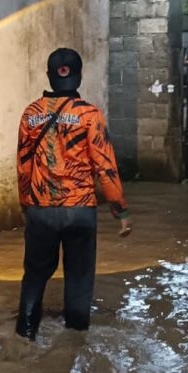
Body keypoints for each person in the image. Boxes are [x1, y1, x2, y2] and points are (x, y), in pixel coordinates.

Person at [15, 47, 132, 340]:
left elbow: (23, 165)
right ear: (78, 75)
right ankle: (76, 340)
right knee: (79, 278)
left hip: (41, 208)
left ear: (49, 77)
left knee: (35, 275)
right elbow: (105, 166)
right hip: (80, 210)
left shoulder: (31, 114)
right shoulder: (89, 115)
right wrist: (120, 211)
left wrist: (25, 202)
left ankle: (25, 333)